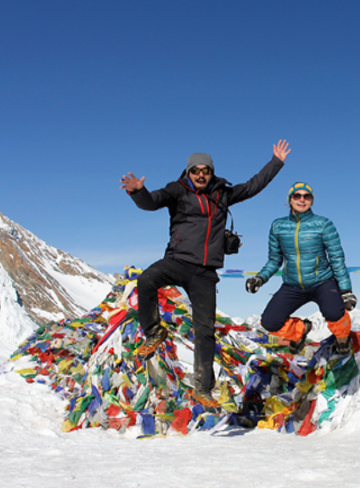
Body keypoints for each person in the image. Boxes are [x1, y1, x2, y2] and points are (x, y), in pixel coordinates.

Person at [120, 140, 291, 407]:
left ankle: (203, 388)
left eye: (206, 170)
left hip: (205, 273)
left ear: (211, 173)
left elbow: (254, 185)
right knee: (147, 280)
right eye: (195, 170)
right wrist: (138, 192)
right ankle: (154, 331)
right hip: (177, 261)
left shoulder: (223, 193)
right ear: (188, 172)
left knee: (205, 331)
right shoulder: (176, 190)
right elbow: (151, 202)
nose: (200, 175)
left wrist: (276, 162)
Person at [245, 182, 357, 356]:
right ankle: (300, 330)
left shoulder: (323, 224)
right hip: (292, 285)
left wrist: (346, 290)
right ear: (290, 200)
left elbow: (336, 258)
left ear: (312, 200)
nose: (302, 199)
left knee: (335, 311)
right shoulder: (278, 226)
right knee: (270, 322)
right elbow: (274, 260)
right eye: (297, 196)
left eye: (307, 196)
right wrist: (260, 278)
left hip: (322, 282)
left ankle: (343, 338)